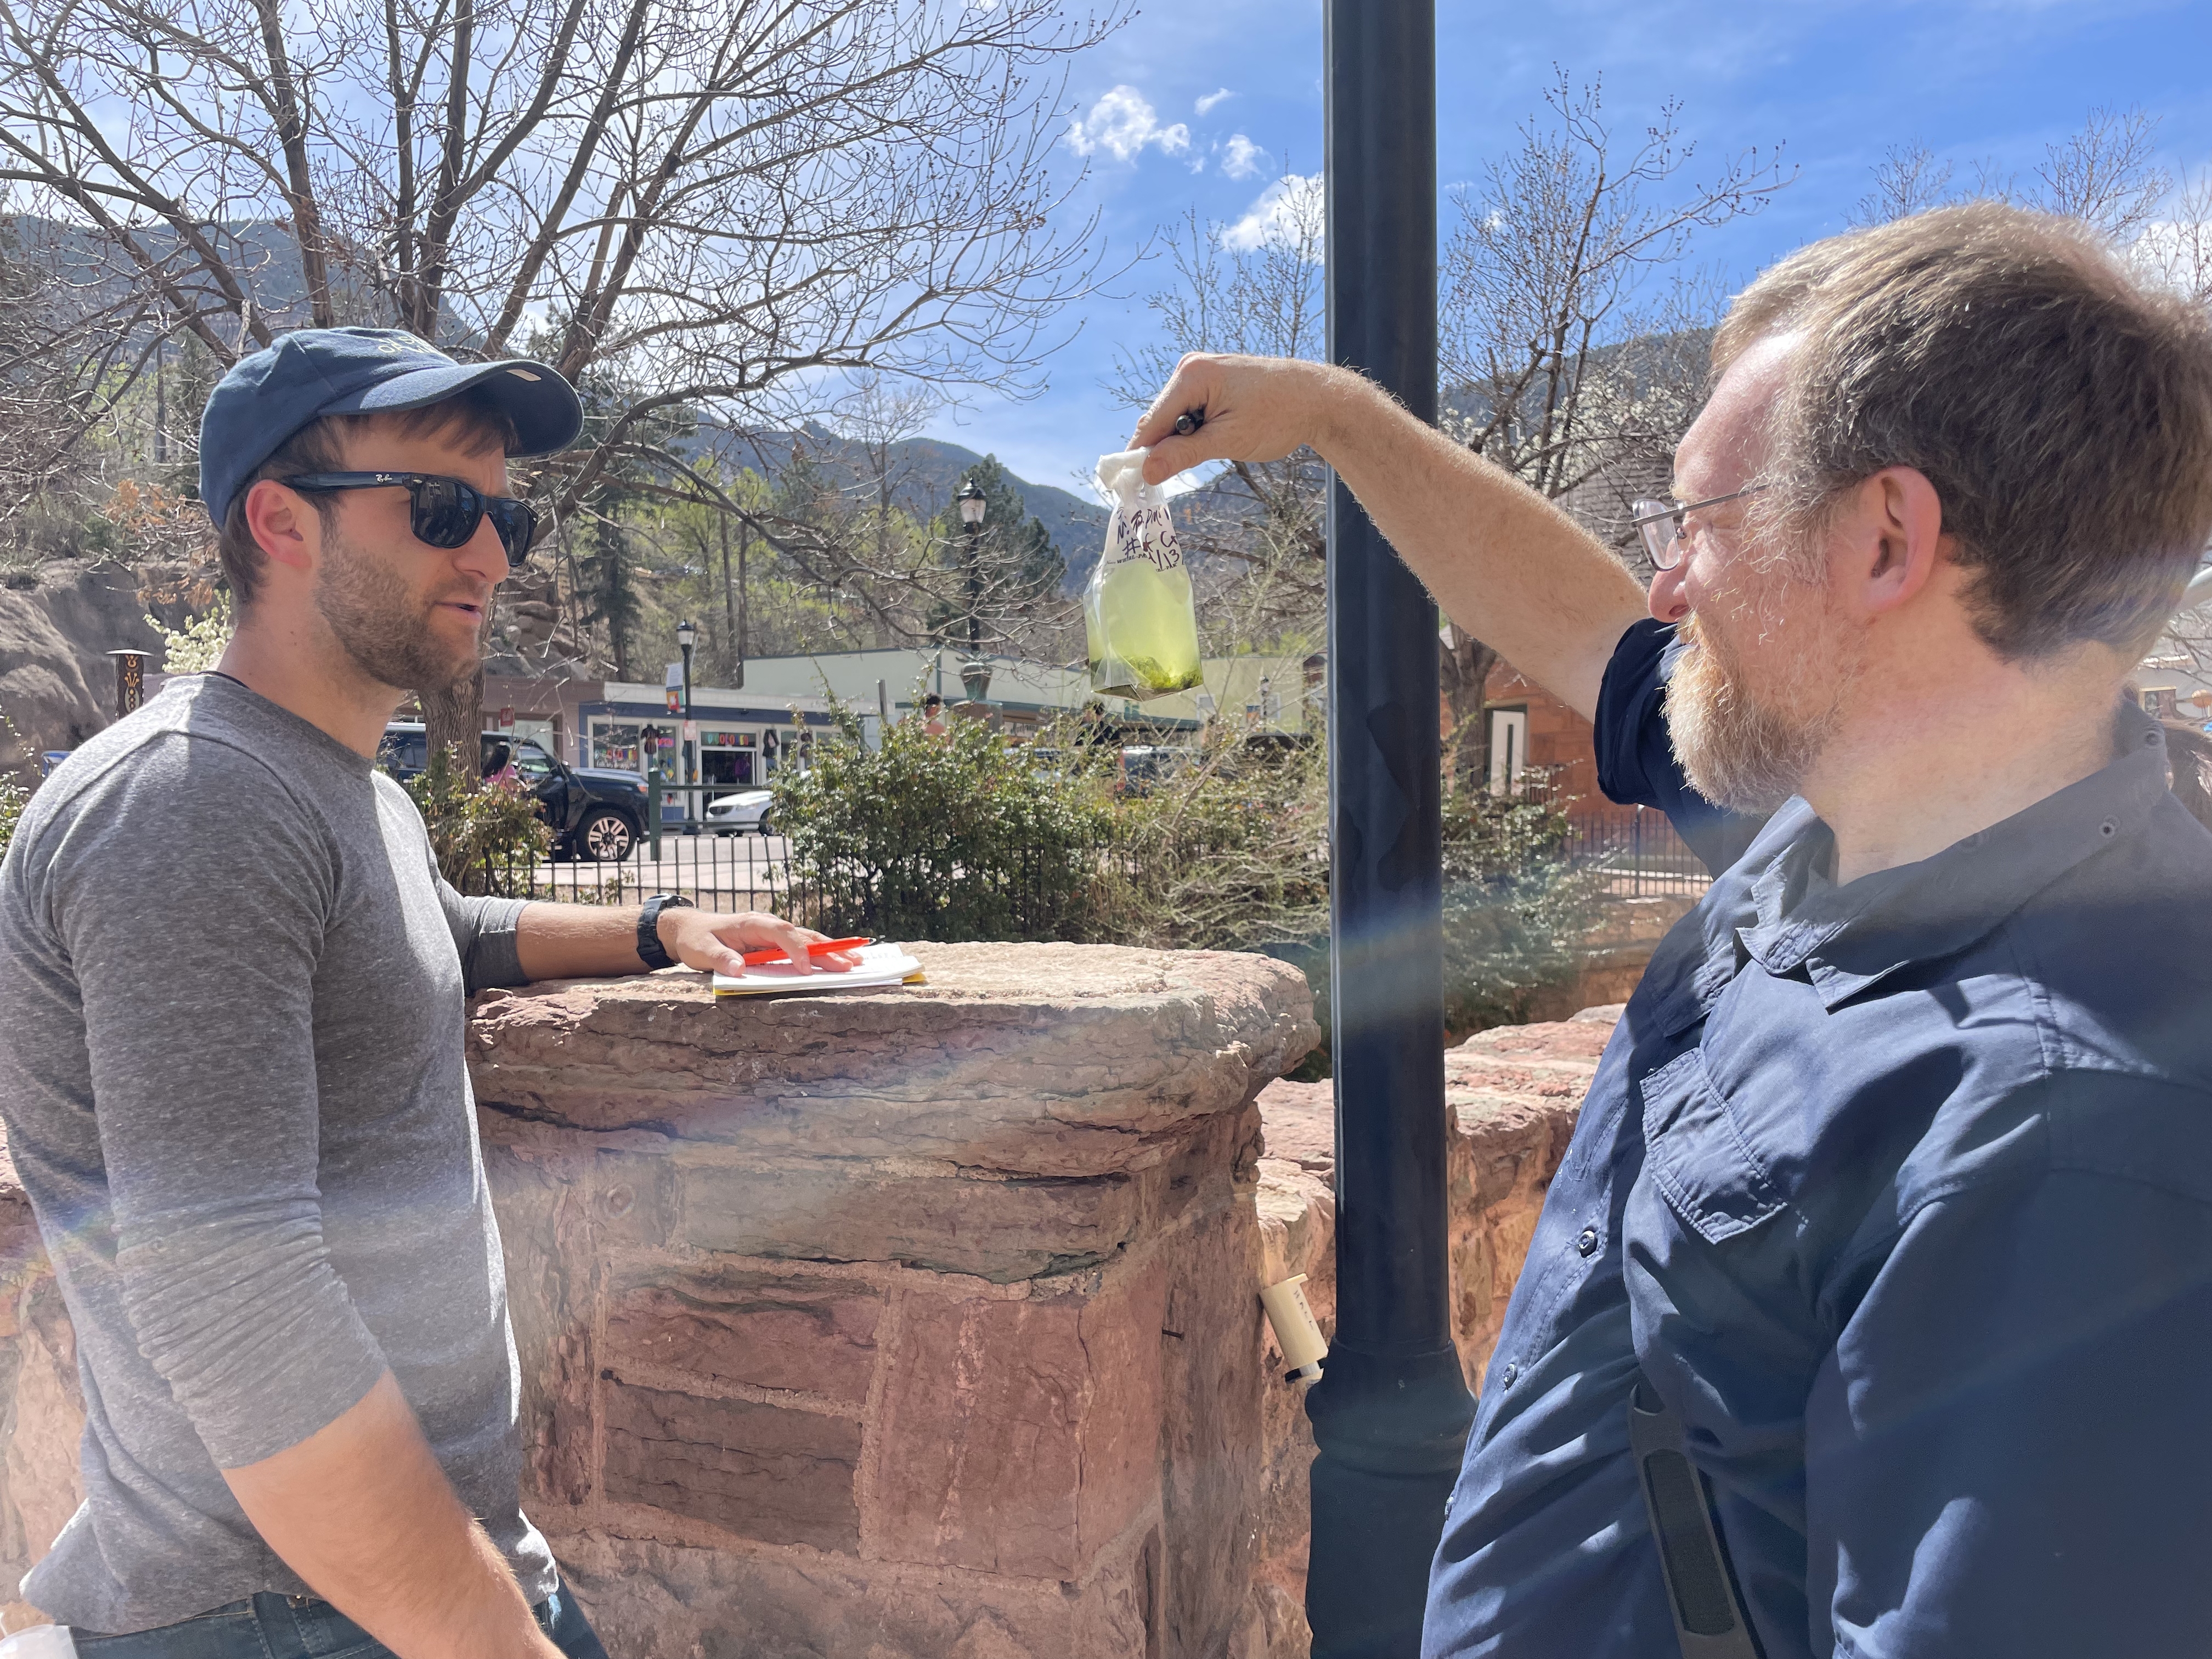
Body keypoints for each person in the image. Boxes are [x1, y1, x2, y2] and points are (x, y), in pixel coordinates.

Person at [1130, 203, 2212, 1658]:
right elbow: (1584, 632)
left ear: (1887, 539)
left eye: (1694, 521)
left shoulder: (2069, 1136)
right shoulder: (1830, 813)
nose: (1664, 583)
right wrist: (1335, 421)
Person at [0, 328, 854, 1659]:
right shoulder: (190, 803)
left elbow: (436, 933)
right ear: (279, 522)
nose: (497, 556)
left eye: (504, 514)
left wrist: (662, 925)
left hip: (406, 1578)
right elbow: (233, 1300)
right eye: (445, 509)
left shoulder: (344, 791)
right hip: (291, 1611)